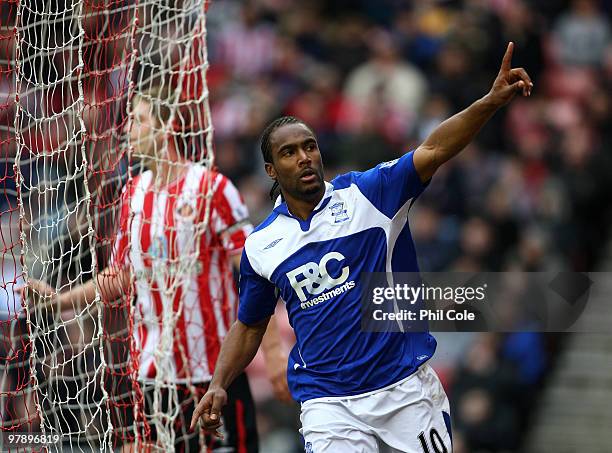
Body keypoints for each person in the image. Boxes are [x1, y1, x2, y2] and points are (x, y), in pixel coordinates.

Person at [190, 42, 532, 452]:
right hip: (328, 402)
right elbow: (249, 325)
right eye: (289, 152)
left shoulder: (370, 194)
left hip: (403, 389)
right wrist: (219, 383)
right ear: (271, 170)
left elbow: (436, 148)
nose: (304, 157)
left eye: (309, 146)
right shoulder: (262, 244)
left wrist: (489, 102)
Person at [24, 85, 290, 452]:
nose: (129, 128)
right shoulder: (132, 194)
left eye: (140, 120)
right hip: (153, 376)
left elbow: (255, 274)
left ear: (166, 129)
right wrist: (60, 302)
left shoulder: (213, 189)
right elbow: (120, 275)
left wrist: (273, 354)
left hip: (215, 373)